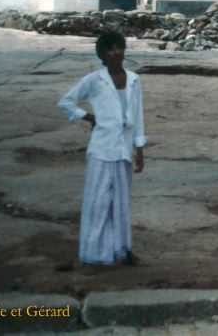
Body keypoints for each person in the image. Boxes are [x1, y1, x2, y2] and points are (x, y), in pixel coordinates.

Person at [57, 30, 146, 267]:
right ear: (103, 54)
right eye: (111, 49)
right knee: (97, 202)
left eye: (120, 47)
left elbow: (138, 117)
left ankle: (122, 250)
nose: (117, 52)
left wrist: (140, 149)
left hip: (124, 150)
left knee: (121, 203)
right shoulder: (94, 80)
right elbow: (65, 102)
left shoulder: (135, 80)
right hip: (101, 149)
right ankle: (92, 254)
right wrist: (86, 116)